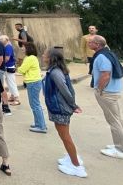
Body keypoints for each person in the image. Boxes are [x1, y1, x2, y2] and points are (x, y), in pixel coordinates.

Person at [42, 48, 87, 178]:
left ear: (51, 58)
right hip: (58, 107)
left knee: (66, 137)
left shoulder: (55, 73)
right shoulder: (56, 70)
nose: (43, 56)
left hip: (60, 108)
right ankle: (70, 157)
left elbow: (65, 90)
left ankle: (77, 166)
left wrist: (73, 105)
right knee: (63, 135)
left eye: (45, 54)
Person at [88, 35, 123, 159]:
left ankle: (120, 149)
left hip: (108, 93)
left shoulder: (101, 56)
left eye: (91, 42)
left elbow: (106, 74)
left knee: (113, 121)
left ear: (97, 44)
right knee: (118, 119)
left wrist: (100, 89)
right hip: (114, 91)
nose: (88, 43)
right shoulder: (108, 53)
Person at [17, 46, 47, 133]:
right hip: (33, 82)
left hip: (33, 82)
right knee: (34, 104)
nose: (22, 49)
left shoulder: (30, 58)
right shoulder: (30, 58)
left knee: (35, 104)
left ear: (29, 49)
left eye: (24, 48)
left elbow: (21, 70)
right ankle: (38, 123)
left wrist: (18, 68)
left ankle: (41, 126)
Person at [0, 35, 20, 106]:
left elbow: (7, 58)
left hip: (9, 67)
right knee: (9, 83)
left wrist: (1, 63)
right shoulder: (7, 46)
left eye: (2, 39)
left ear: (6, 40)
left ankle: (16, 98)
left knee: (11, 83)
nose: (1, 41)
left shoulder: (8, 47)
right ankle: (12, 96)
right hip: (8, 67)